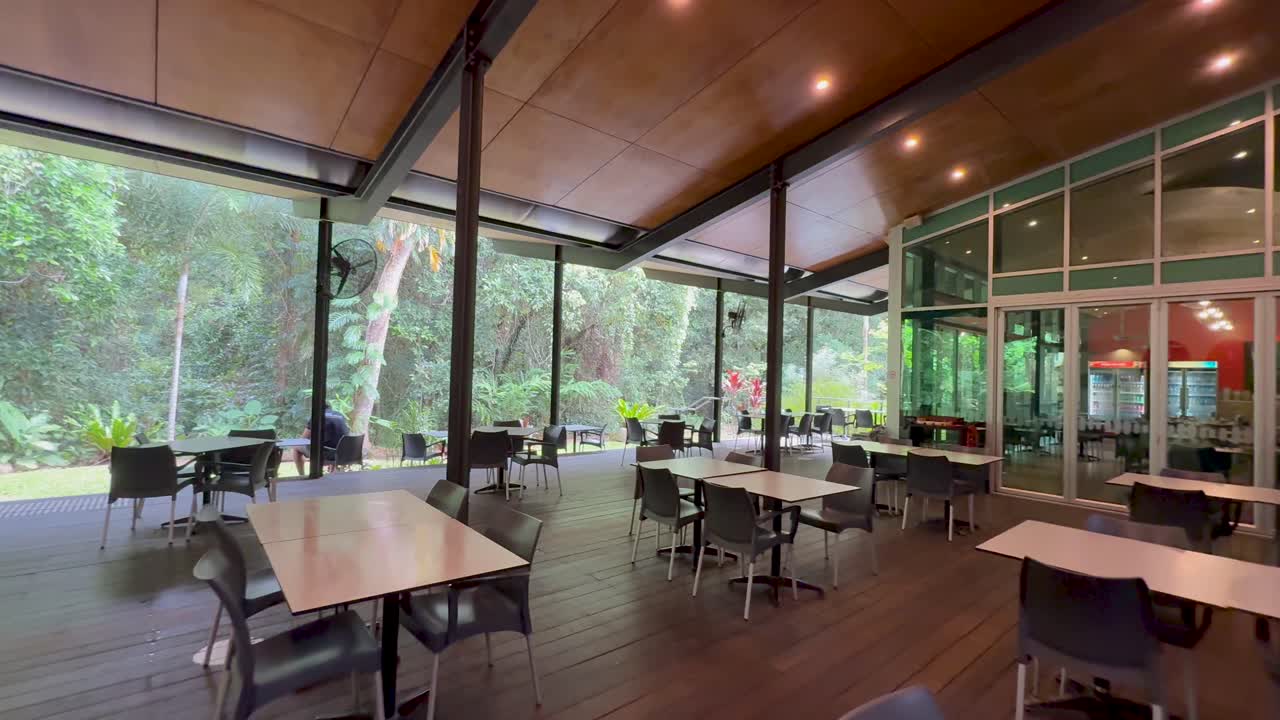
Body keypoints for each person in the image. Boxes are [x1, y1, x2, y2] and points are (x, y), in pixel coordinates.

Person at [294, 403, 351, 475]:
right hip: (344, 453)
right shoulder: (340, 415)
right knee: (332, 444)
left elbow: (303, 439)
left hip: (325, 454)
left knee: (296, 448)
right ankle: (333, 471)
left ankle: (301, 475)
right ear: (330, 408)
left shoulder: (317, 415)